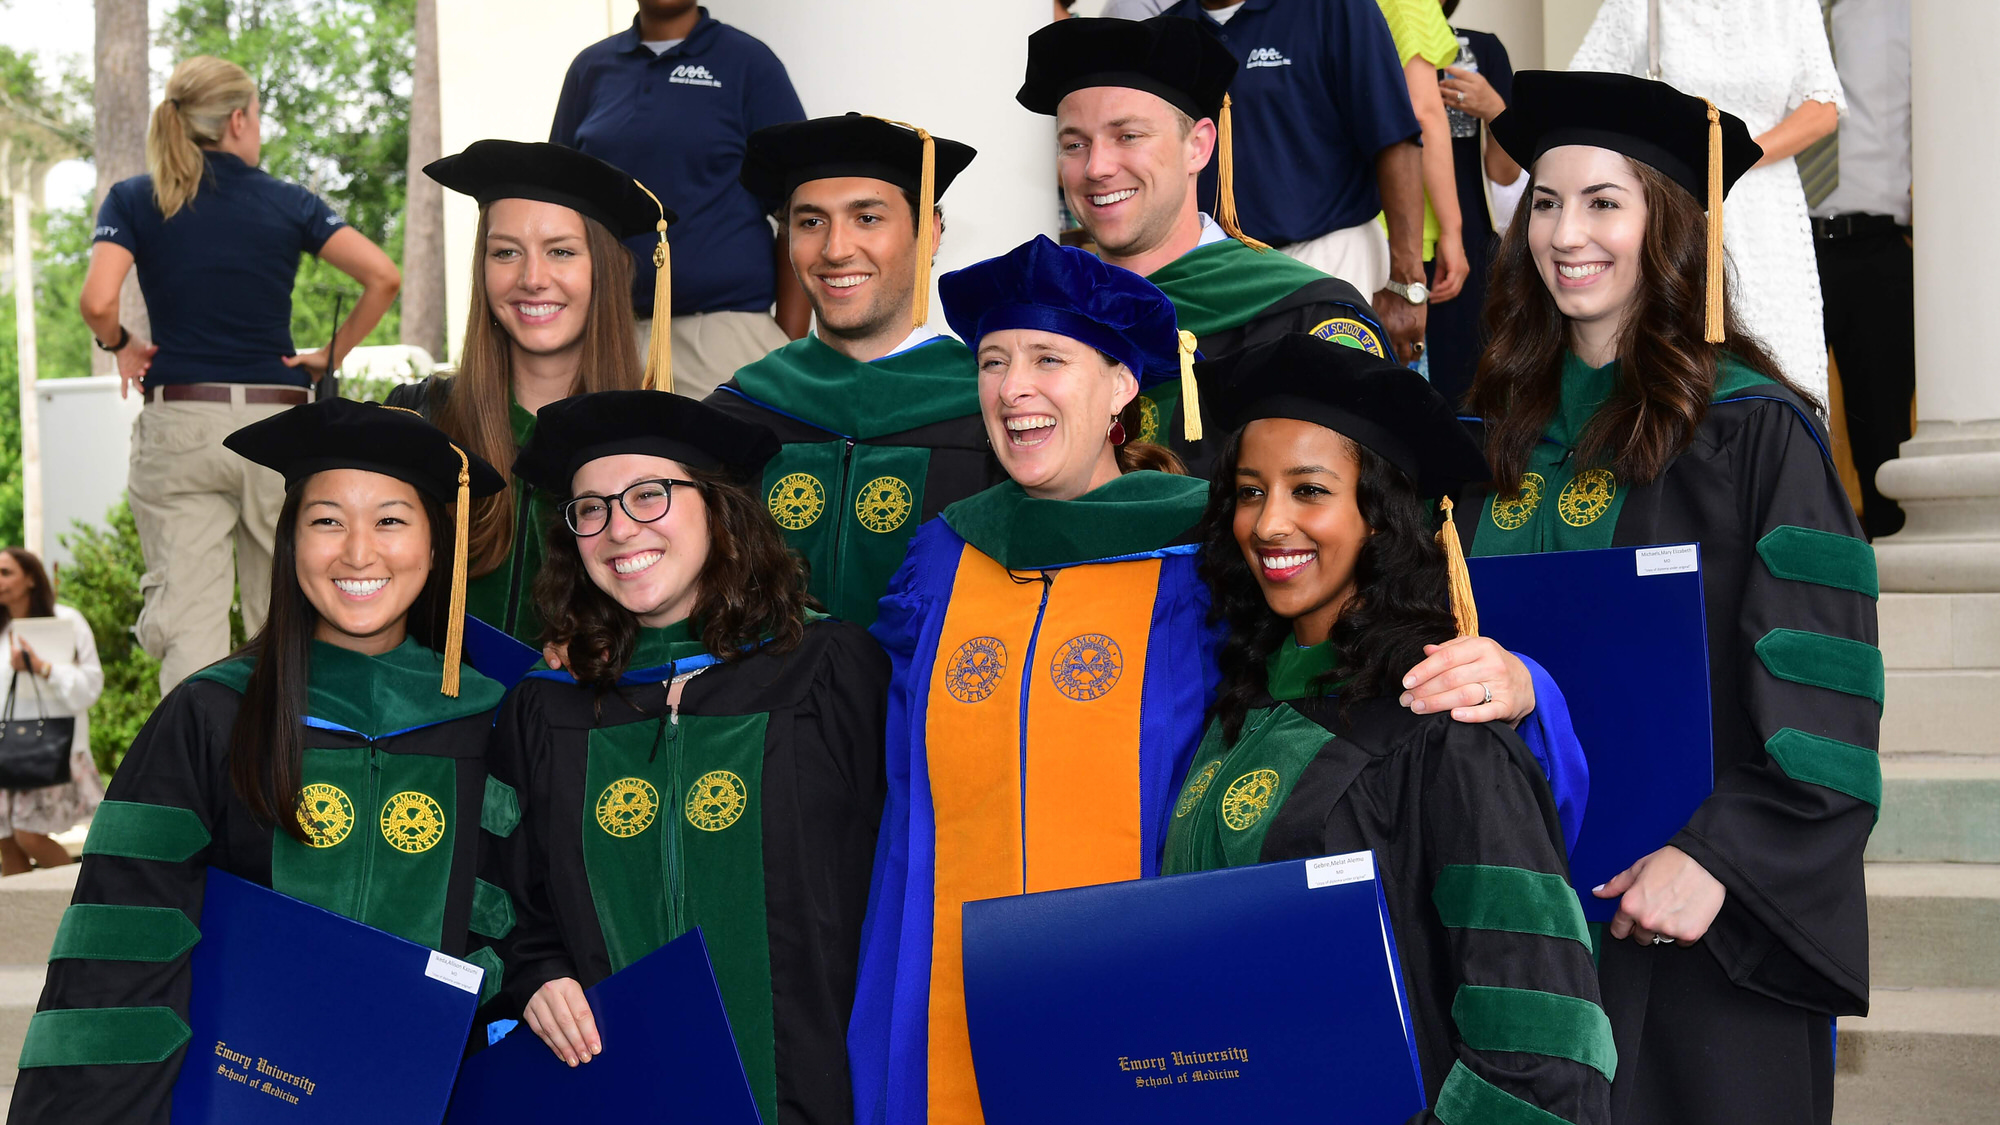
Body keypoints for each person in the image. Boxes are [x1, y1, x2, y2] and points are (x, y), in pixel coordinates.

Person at [1461, 72, 1877, 1125]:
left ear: (1668, 225)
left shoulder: (1751, 434)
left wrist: (1715, 858)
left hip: (1699, 923)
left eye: (1604, 201)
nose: (1564, 232)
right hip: (1522, 913)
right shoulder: (1491, 439)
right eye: (1544, 202)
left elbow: (1824, 704)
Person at [9, 399, 509, 1124]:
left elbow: (523, 933)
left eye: (392, 519)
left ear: (436, 546)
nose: (358, 551)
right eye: (327, 519)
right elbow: (124, 950)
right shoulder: (212, 712)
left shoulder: (490, 721)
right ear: (289, 541)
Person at [1165, 334, 1611, 1125]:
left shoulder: (1445, 726)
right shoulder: (1240, 709)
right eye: (1247, 491)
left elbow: (1541, 1045)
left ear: (1378, 515)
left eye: (1309, 491)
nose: (1269, 524)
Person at [848, 236, 1215, 1125]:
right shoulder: (943, 556)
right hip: (938, 991)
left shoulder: (1200, 560)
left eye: (1049, 358)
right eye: (993, 361)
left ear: (1124, 385)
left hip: (1142, 985)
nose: (1014, 388)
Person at [487, 390, 887, 1125]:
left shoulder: (829, 671)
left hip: (816, 1094)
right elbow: (510, 897)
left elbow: (903, 880)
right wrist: (537, 976)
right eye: (591, 509)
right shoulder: (548, 708)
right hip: (618, 1093)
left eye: (648, 495)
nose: (618, 529)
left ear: (717, 505)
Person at [79, 55, 402, 694]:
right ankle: (293, 783)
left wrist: (119, 343)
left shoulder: (137, 198)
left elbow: (96, 300)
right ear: (237, 120)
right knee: (282, 617)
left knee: (187, 629)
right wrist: (329, 354)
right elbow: (382, 277)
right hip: (274, 426)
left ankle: (192, 786)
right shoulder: (288, 202)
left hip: (181, 423)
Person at [1017, 15, 1395, 477]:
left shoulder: (1300, 317)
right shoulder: (1040, 321)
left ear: (1198, 146)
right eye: (1074, 144)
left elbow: (1363, 507)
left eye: (1127, 136)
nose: (1096, 167)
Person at [707, 114, 998, 627]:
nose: (836, 249)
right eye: (811, 222)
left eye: (867, 218)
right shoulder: (736, 415)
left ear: (928, 233)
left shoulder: (994, 410)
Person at [391, 140, 669, 646]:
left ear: (604, 270)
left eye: (561, 251)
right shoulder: (419, 418)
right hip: (428, 716)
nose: (532, 279)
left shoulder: (664, 444)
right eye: (506, 253)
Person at [1570, 0, 1843, 406]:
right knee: (1678, 356)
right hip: (1678, 198)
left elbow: (1823, 108)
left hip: (1767, 211)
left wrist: (1731, 155)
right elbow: (1583, 95)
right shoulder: (1637, 4)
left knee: (1781, 355)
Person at [551, 0, 810, 398]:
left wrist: (789, 341)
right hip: (607, 334)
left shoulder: (749, 63)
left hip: (723, 335)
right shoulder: (590, 68)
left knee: (732, 461)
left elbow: (800, 207)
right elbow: (560, 205)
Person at [1154, 1, 1436, 354]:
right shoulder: (1166, 32)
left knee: (1330, 405)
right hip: (1213, 273)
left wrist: (1407, 285)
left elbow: (1394, 139)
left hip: (1327, 260)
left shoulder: (1336, 8)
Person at [1810, 0, 1911, 539]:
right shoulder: (1773, 14)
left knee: (1884, 434)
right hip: (1787, 243)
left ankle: (1894, 576)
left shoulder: (1906, 15)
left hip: (1877, 249)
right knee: (1779, 423)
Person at [1431, 0, 1522, 405]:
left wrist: (1494, 110)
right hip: (1387, 231)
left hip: (1466, 239)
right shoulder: (1373, 47)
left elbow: (1504, 176)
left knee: (1464, 385)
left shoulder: (1480, 49)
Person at [0, 548, 104, 876]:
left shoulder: (66, 621)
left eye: (6, 572)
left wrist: (43, 667)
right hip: (5, 749)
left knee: (28, 835)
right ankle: (19, 925)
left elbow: (90, 685)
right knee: (6, 843)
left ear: (31, 578)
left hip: (50, 748)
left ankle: (83, 902)